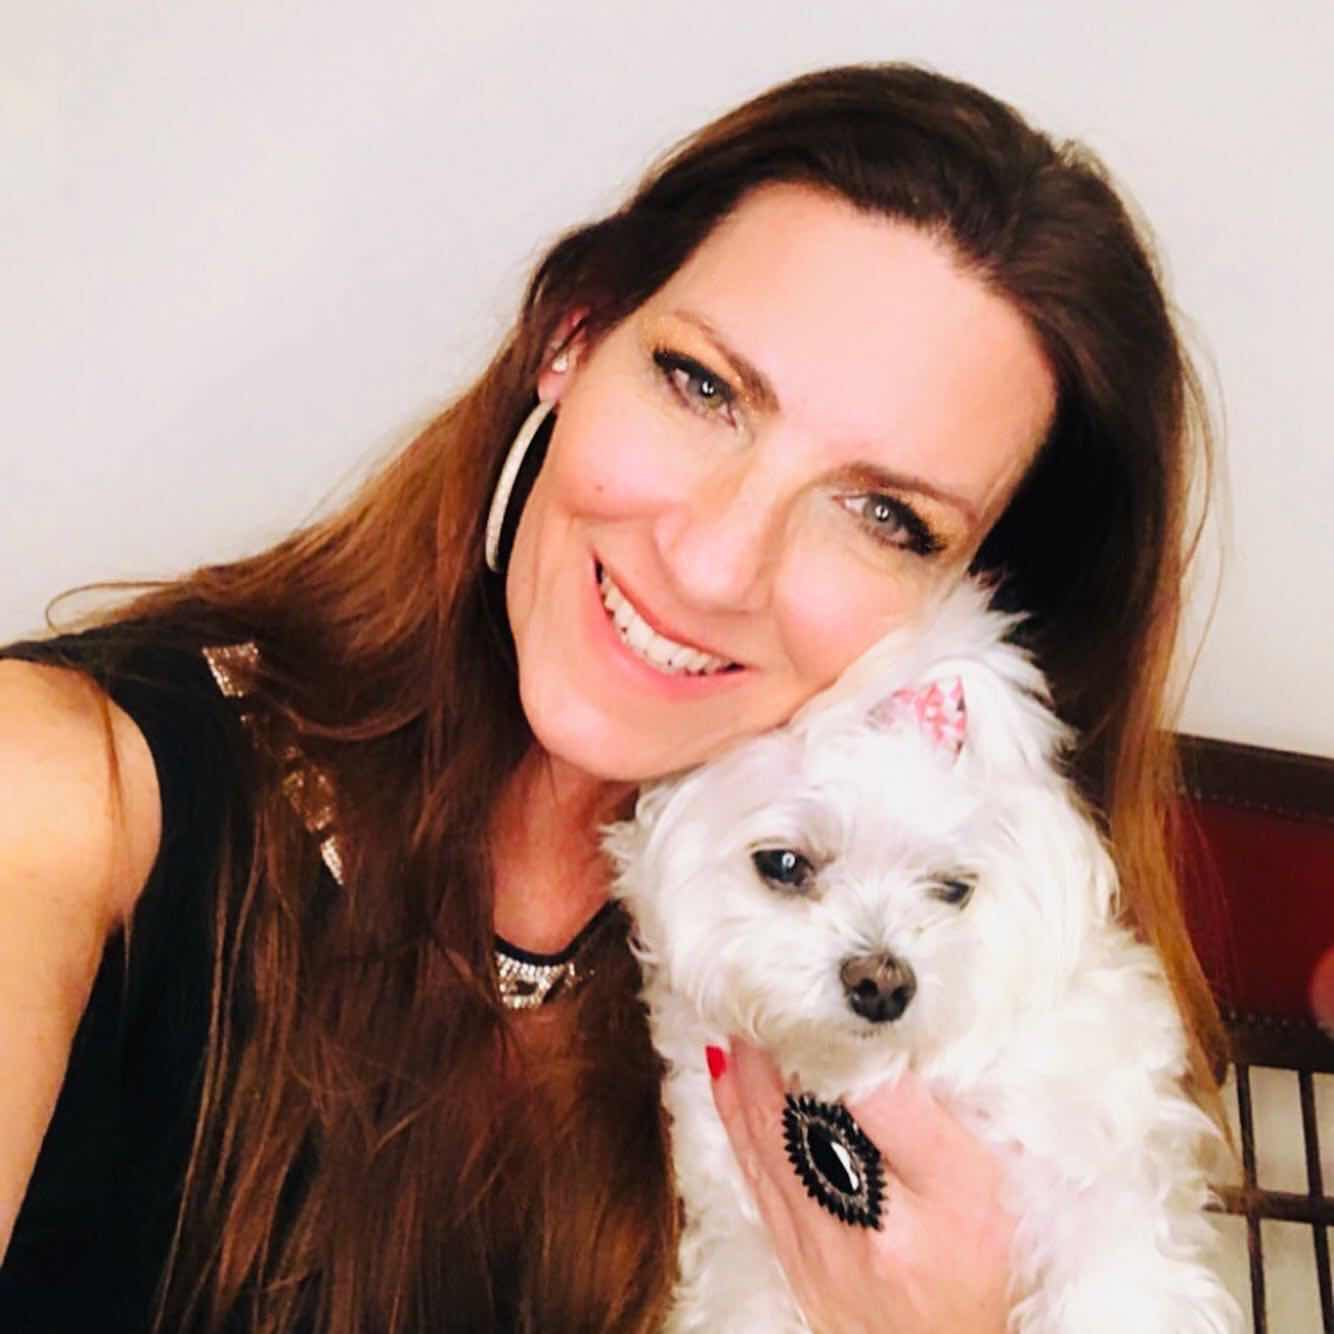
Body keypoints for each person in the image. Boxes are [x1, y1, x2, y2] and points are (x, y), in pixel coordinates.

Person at [0, 62, 1224, 1333]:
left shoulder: (936, 1020)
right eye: (703, 387)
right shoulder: (59, 790)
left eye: (882, 514)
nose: (712, 563)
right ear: (572, 337)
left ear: (968, 605)